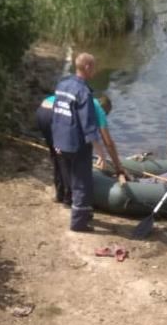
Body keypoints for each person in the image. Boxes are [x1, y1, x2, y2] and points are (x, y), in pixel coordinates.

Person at [51, 53, 125, 232]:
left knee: (69, 177)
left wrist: (55, 141)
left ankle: (76, 210)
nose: (96, 69)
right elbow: (88, 125)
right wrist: (100, 152)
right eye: (95, 66)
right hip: (76, 144)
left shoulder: (62, 85)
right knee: (82, 182)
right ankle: (79, 223)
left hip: (60, 139)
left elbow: (57, 113)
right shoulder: (83, 92)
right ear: (87, 67)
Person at [36, 93, 127, 207]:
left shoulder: (83, 102)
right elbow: (108, 143)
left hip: (42, 111)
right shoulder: (98, 109)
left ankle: (60, 194)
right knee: (68, 157)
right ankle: (69, 198)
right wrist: (119, 168)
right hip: (55, 114)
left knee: (57, 155)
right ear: (106, 109)